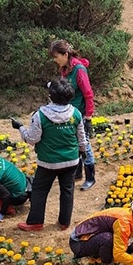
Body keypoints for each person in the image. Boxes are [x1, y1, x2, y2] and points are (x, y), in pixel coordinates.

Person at [11, 79, 87, 232]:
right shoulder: (75, 113)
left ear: (50, 96)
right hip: (71, 160)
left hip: (48, 161)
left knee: (40, 189)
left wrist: (20, 127)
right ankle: (65, 222)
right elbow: (81, 137)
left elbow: (32, 139)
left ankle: (35, 222)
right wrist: (83, 152)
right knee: (67, 189)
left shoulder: (40, 115)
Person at [69, 196, 133, 265]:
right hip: (78, 242)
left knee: (129, 246)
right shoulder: (124, 222)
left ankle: (96, 258)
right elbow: (118, 254)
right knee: (107, 239)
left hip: (92, 239)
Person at [49, 39, 97, 191]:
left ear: (65, 54)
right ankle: (77, 173)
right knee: (74, 142)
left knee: (85, 144)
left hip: (80, 113)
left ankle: (90, 177)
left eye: (56, 57)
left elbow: (88, 94)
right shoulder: (65, 69)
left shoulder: (79, 70)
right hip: (68, 112)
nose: (55, 60)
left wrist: (88, 117)